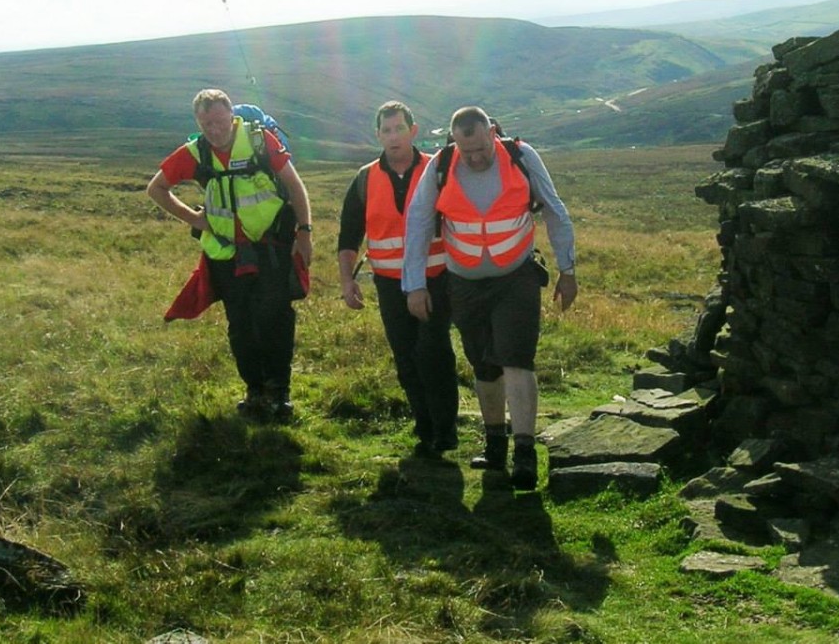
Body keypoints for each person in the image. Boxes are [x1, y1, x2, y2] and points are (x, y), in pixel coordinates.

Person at [403, 106, 577, 490]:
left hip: (516, 278)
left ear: (492, 134)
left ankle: (525, 453)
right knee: (483, 365)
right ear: (455, 143)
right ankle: (495, 444)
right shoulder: (441, 165)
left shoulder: (520, 156)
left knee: (516, 359)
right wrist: (414, 284)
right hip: (464, 284)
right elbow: (417, 222)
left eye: (482, 148)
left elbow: (554, 209)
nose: (476, 158)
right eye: (467, 151)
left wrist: (567, 270)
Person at [147, 88, 313, 422]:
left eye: (220, 121)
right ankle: (255, 391)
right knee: (241, 325)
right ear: (198, 123)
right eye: (206, 124)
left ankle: (279, 393)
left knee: (275, 320)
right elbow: (156, 188)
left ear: (231, 116)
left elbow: (295, 186)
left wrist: (305, 232)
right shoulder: (195, 152)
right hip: (225, 254)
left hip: (271, 247)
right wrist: (195, 219)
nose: (215, 129)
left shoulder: (259, 141)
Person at [338, 101, 459, 457]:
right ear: (378, 135)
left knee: (433, 351)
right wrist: (347, 281)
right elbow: (348, 237)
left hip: (436, 277)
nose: (394, 137)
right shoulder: (365, 179)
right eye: (387, 130)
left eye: (399, 129)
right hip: (389, 284)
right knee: (405, 356)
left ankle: (445, 430)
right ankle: (424, 427)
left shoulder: (438, 170)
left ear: (413, 131)